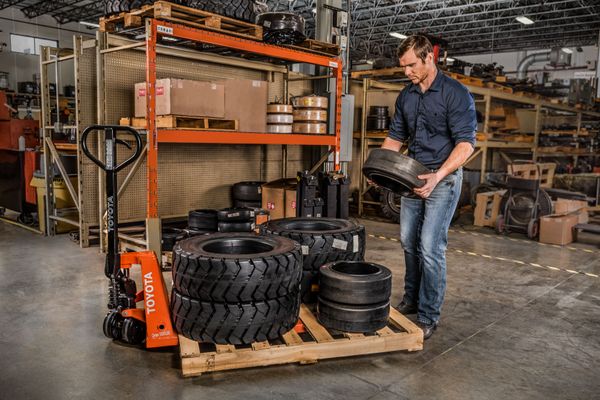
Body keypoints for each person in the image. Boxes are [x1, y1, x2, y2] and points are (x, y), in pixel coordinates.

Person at [381, 35, 477, 339]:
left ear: (428, 58)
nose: (406, 71)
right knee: (409, 241)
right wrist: (379, 168)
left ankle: (428, 314)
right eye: (403, 66)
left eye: (411, 65)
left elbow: (466, 145)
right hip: (413, 177)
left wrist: (437, 176)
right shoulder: (406, 96)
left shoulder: (455, 94)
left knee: (430, 247)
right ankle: (411, 299)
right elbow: (395, 138)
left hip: (443, 179)